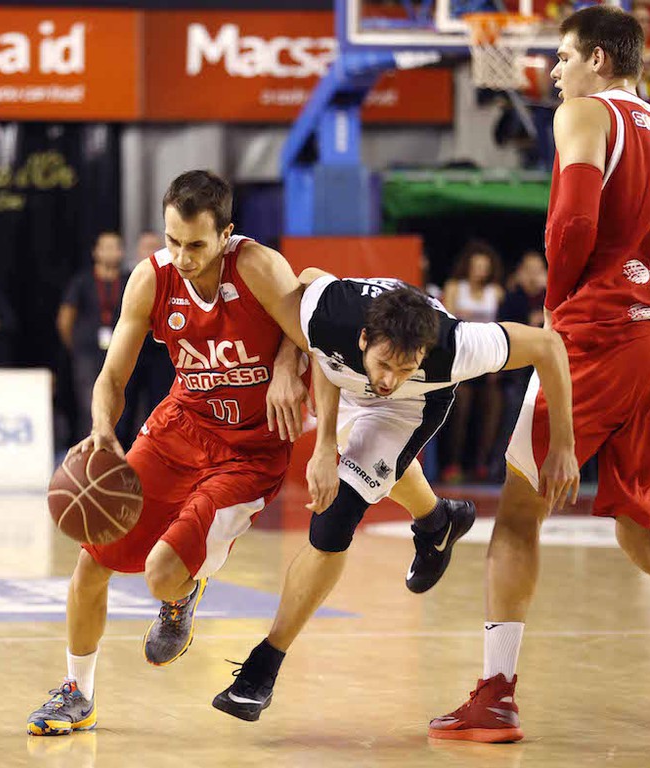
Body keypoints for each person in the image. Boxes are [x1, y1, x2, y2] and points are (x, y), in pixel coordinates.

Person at [429, 6, 650, 744]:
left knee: (520, 512)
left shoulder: (587, 112)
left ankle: (496, 694)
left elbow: (572, 226)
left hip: (606, 330)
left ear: (597, 59)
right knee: (643, 532)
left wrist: (559, 314)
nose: (553, 71)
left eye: (561, 57)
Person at [211, 271, 579, 723]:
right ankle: (437, 520)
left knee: (335, 516)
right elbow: (308, 291)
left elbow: (549, 346)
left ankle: (262, 670)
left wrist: (563, 445)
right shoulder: (330, 312)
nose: (389, 378)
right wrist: (320, 435)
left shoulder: (457, 345)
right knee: (375, 470)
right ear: (363, 337)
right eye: (385, 364)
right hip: (346, 384)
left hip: (411, 408)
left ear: (424, 353)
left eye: (405, 366)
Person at [26, 170, 315, 736]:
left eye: (196, 244)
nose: (182, 256)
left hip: (249, 453)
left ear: (227, 234)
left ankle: (181, 596)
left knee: (161, 575)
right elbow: (113, 375)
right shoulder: (151, 278)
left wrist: (286, 364)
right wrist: (103, 426)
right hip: (179, 428)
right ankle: (76, 694)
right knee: (91, 562)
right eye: (172, 241)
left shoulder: (258, 267)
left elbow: (313, 330)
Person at [57, 232, 136, 446]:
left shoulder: (130, 279)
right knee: (89, 404)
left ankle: (117, 458)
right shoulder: (82, 281)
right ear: (96, 252)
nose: (111, 252)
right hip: (87, 354)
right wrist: (76, 347)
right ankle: (90, 457)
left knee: (122, 403)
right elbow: (65, 318)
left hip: (120, 352)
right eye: (106, 247)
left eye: (115, 247)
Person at [441, 241, 506, 482]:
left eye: (485, 267)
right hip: (462, 358)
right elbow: (446, 322)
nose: (481, 270)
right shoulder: (455, 287)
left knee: (493, 405)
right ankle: (454, 463)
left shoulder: (496, 292)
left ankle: (482, 462)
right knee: (461, 408)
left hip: (489, 360)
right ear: (468, 267)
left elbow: (502, 325)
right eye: (476, 266)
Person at [121, 231, 176, 445]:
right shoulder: (128, 281)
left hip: (162, 354)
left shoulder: (175, 279)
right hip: (133, 352)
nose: (151, 252)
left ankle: (160, 455)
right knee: (125, 410)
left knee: (160, 409)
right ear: (137, 251)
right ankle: (119, 462)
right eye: (146, 247)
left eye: (156, 246)